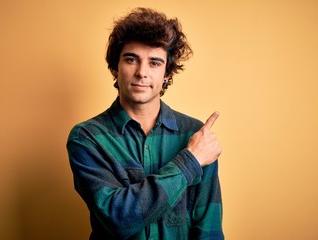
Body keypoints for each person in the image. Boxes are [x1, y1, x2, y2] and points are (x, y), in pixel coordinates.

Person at [67, 7, 224, 240]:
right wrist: (189, 161)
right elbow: (118, 217)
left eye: (155, 63)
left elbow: (208, 227)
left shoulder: (195, 134)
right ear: (114, 67)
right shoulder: (87, 137)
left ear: (167, 74)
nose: (142, 72)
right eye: (131, 60)